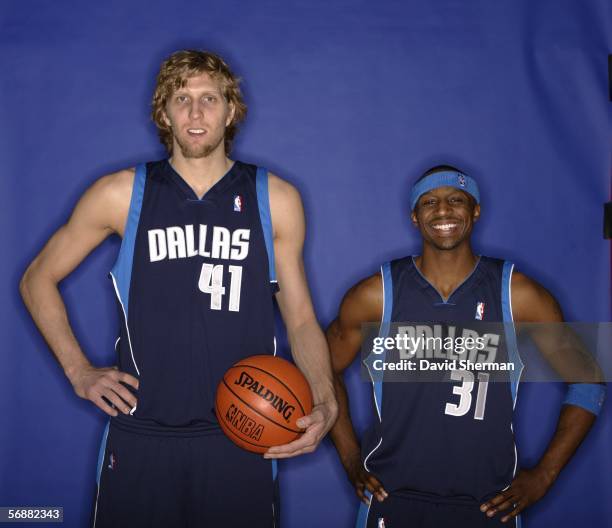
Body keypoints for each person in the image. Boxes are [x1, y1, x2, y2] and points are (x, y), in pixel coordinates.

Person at [19, 49, 337, 527]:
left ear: (230, 111)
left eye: (209, 98)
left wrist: (325, 397)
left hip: (242, 437)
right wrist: (78, 371)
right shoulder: (121, 193)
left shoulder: (275, 198)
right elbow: (36, 278)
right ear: (163, 113)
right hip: (142, 433)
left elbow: (301, 318)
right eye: (180, 98)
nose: (195, 112)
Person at [327, 165, 605, 527]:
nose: (443, 210)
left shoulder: (517, 295)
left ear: (475, 211)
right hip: (392, 500)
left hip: (488, 504)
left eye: (456, 200)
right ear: (414, 217)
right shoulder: (376, 296)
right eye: (429, 202)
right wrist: (350, 458)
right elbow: (323, 369)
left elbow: (588, 381)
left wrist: (544, 476)